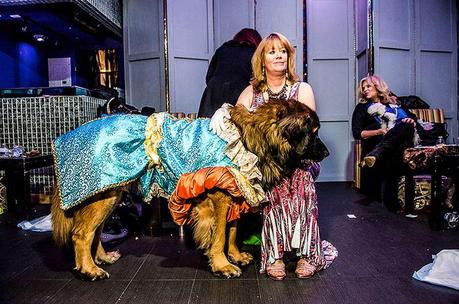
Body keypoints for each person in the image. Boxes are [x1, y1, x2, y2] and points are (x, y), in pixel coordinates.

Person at [212, 32, 337, 280]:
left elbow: (306, 138)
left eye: (283, 51)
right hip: (267, 166)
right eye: (272, 51)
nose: (278, 55)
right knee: (272, 183)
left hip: (301, 162)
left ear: (288, 57)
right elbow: (236, 123)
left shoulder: (302, 89)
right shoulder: (251, 93)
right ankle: (275, 255)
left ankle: (307, 254)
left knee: (299, 181)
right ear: (262, 60)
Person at [352, 75, 417, 214]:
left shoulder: (394, 103)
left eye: (368, 86)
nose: (364, 90)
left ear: (378, 86)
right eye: (363, 88)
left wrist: (411, 121)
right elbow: (357, 133)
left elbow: (412, 117)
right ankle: (393, 202)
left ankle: (377, 154)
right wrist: (379, 131)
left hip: (389, 145)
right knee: (396, 149)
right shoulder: (362, 108)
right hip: (378, 144)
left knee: (405, 126)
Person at [198, 28, 262, 118]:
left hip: (213, 92)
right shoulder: (254, 53)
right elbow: (258, 78)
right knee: (232, 127)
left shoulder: (222, 49)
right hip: (239, 90)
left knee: (205, 126)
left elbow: (209, 76)